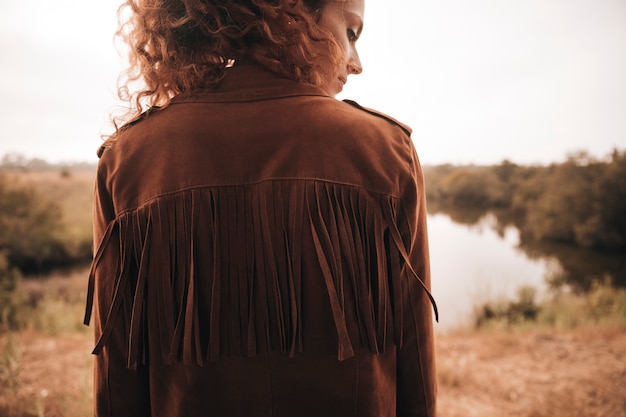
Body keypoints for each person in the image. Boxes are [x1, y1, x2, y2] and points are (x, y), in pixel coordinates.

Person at [83, 0, 438, 416]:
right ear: (293, 17)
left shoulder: (129, 159)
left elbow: (118, 369)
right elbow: (414, 350)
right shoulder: (385, 149)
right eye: (351, 33)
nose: (356, 63)